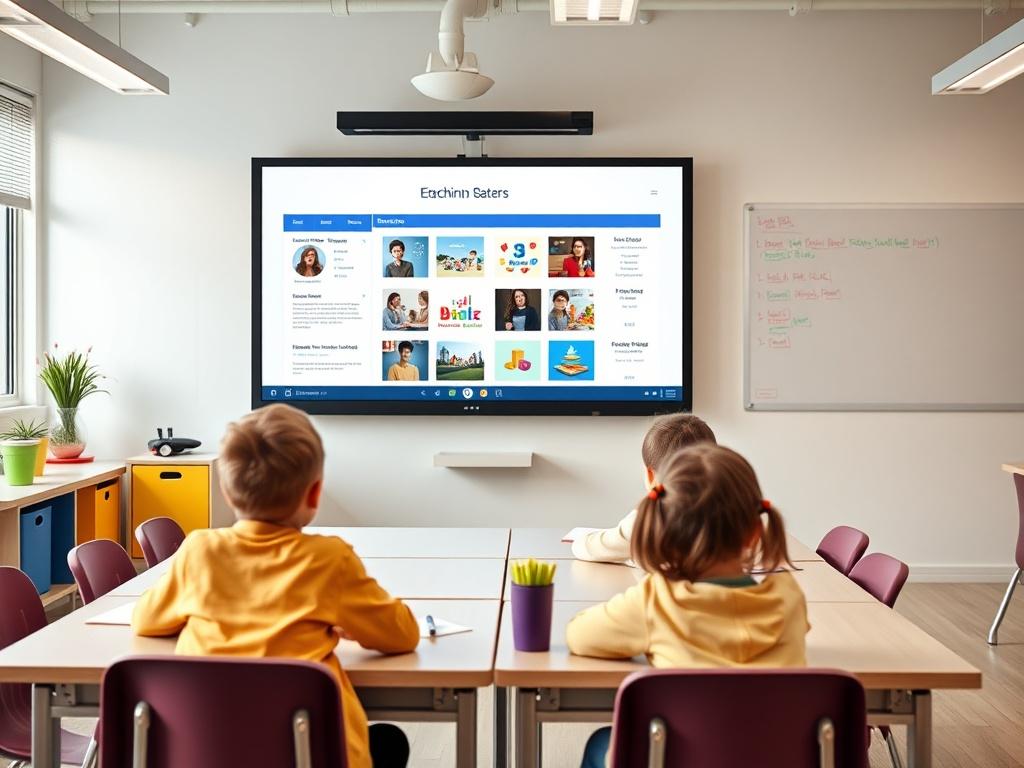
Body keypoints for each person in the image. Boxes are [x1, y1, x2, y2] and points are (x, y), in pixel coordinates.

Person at [131, 404, 419, 768]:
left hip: (208, 753)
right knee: (389, 742)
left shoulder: (199, 551)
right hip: (310, 754)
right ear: (314, 494)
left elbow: (145, 621)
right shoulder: (330, 559)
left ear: (226, 491)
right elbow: (403, 635)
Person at [567, 443, 809, 768]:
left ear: (665, 529)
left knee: (602, 742)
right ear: (755, 532)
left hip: (677, 759)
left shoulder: (657, 600)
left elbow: (579, 636)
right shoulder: (789, 597)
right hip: (777, 758)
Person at [572, 414, 716, 563]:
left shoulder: (645, 523)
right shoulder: (724, 513)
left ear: (651, 475)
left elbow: (586, 548)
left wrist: (629, 558)